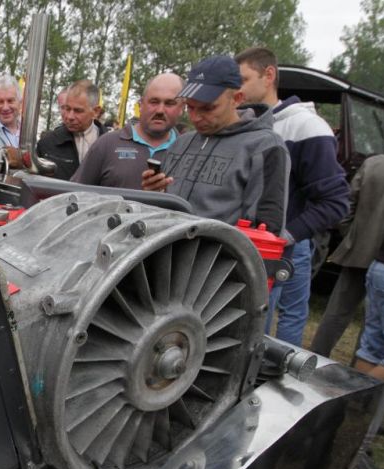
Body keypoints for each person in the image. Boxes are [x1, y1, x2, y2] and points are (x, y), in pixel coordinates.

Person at [236, 47, 348, 346]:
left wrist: (287, 235)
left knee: (280, 318)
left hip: (285, 247)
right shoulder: (244, 123)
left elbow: (336, 201)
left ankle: (277, 379)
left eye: (244, 80)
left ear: (268, 75)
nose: (238, 89)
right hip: (248, 244)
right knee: (250, 320)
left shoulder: (306, 126)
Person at [142, 55, 289, 236]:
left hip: (219, 262)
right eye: (190, 107)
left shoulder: (264, 146)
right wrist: (154, 194)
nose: (195, 117)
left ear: (237, 98)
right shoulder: (181, 142)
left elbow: (266, 231)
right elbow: (161, 210)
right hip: (168, 258)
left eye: (208, 108)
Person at [310, 155, 384, 356]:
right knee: (375, 320)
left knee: (337, 311)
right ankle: (361, 371)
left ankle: (317, 357)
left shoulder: (374, 163)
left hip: (360, 249)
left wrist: (352, 238)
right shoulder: (374, 163)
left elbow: (347, 205)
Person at [71, 73, 183, 189]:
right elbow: (73, 195)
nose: (160, 110)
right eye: (154, 102)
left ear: (182, 109)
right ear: (140, 104)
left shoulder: (188, 152)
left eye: (170, 103)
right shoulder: (107, 145)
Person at [37, 79, 106, 180]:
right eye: (67, 108)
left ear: (95, 111)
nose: (70, 116)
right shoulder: (47, 143)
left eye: (78, 111)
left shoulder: (111, 146)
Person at [353, 225, 384, 383]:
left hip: (381, 267)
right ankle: (353, 397)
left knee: (373, 348)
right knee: (374, 347)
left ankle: (355, 406)